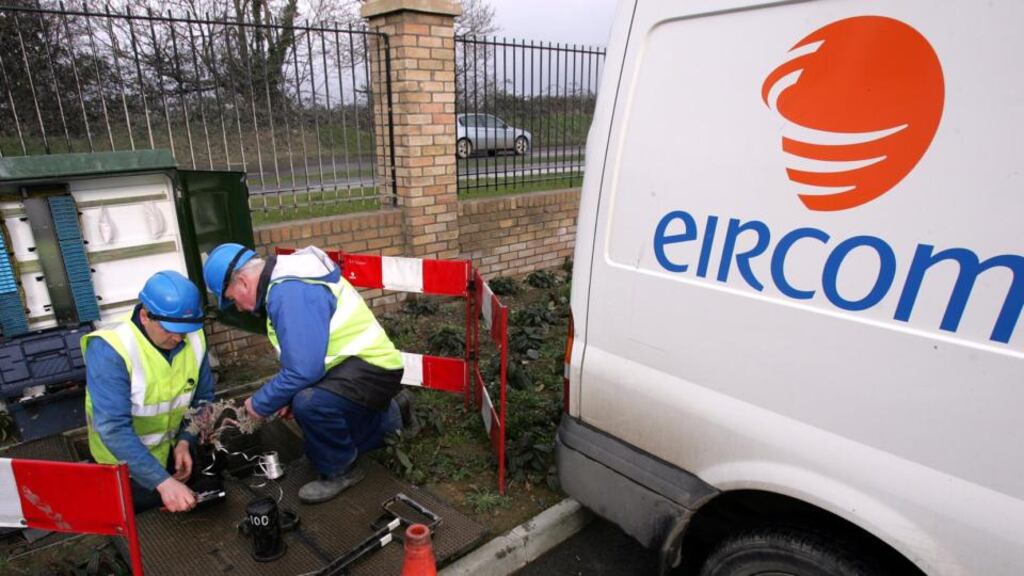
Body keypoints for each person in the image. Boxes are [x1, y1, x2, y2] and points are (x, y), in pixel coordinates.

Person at [202, 243, 408, 504]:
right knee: (304, 401)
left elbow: (304, 370)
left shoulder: (288, 293)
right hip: (362, 367)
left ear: (243, 282)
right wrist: (283, 397)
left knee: (309, 403)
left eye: (232, 299)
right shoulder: (286, 285)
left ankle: (341, 470)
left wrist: (260, 403)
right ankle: (388, 418)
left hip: (372, 369)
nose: (239, 308)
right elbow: (305, 358)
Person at [83, 270, 212, 513]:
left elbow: (203, 399)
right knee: (144, 522)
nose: (178, 337)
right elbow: (113, 428)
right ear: (144, 316)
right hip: (123, 464)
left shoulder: (193, 338)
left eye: (183, 329)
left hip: (171, 452)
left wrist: (186, 441)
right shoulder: (110, 350)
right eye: (169, 329)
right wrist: (163, 482)